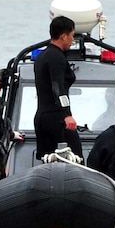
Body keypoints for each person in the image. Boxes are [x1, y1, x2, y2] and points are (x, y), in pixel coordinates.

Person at [33, 15, 83, 161]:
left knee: (48, 160)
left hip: (42, 116)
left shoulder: (42, 56)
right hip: (56, 118)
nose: (72, 40)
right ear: (63, 36)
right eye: (72, 36)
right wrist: (66, 114)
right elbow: (58, 87)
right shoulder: (57, 58)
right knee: (77, 158)